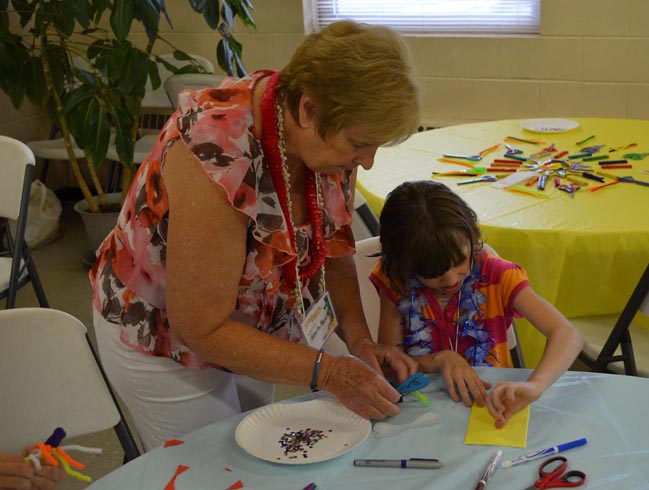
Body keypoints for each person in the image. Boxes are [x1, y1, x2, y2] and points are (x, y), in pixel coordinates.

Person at [90, 20, 420, 450]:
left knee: (259, 450)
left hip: (248, 324)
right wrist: (330, 370)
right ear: (308, 110)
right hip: (163, 337)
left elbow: (334, 248)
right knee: (211, 469)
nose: (368, 162)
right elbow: (200, 327)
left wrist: (358, 342)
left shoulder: (322, 139)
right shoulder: (217, 153)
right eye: (360, 145)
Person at [371, 180, 583, 428]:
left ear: (472, 240)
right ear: (404, 264)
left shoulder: (499, 277)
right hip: (420, 416)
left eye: (460, 261)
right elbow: (389, 366)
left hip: (490, 409)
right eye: (433, 272)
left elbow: (567, 334)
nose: (451, 279)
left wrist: (536, 384)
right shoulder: (397, 281)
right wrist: (440, 359)